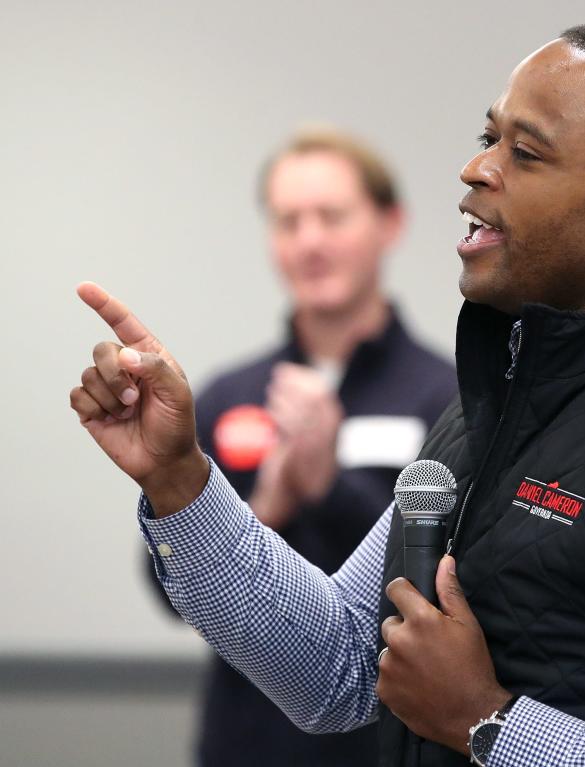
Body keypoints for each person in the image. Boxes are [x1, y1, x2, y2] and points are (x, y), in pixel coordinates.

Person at [69, 22, 585, 767]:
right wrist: (179, 479)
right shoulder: (492, 409)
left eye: (526, 152)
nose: (475, 168)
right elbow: (337, 666)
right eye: (488, 136)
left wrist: (490, 723)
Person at [157, 127, 457, 766]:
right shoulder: (226, 394)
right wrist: (267, 502)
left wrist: (329, 488)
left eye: (332, 217)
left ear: (389, 224)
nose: (310, 241)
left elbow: (451, 583)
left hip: (384, 742)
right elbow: (165, 590)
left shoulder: (449, 398)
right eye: (289, 221)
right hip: (246, 741)